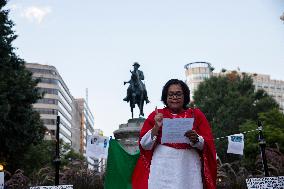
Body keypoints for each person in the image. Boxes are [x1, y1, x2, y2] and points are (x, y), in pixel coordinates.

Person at [132, 79, 217, 189]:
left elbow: (208, 144)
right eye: (170, 94)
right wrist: (156, 126)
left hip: (188, 170)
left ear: (185, 96)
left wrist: (197, 139)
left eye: (178, 94)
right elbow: (144, 145)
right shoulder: (156, 115)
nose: (174, 97)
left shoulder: (196, 115)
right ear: (165, 97)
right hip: (162, 170)